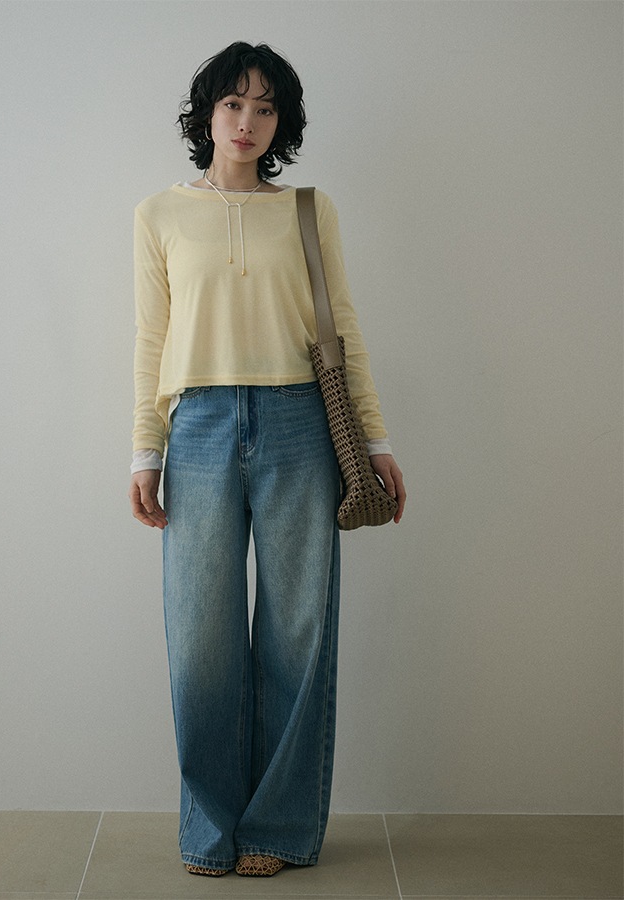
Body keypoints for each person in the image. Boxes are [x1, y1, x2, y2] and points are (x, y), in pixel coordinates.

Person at [128, 41, 405, 879]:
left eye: (265, 108)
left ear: (282, 122)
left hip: (298, 425)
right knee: (200, 640)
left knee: (297, 634)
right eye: (232, 104)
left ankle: (279, 828)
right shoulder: (159, 214)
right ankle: (209, 828)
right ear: (206, 112)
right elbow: (151, 342)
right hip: (200, 427)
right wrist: (144, 450)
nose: (246, 122)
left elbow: (342, 328)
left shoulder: (310, 212)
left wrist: (377, 441)